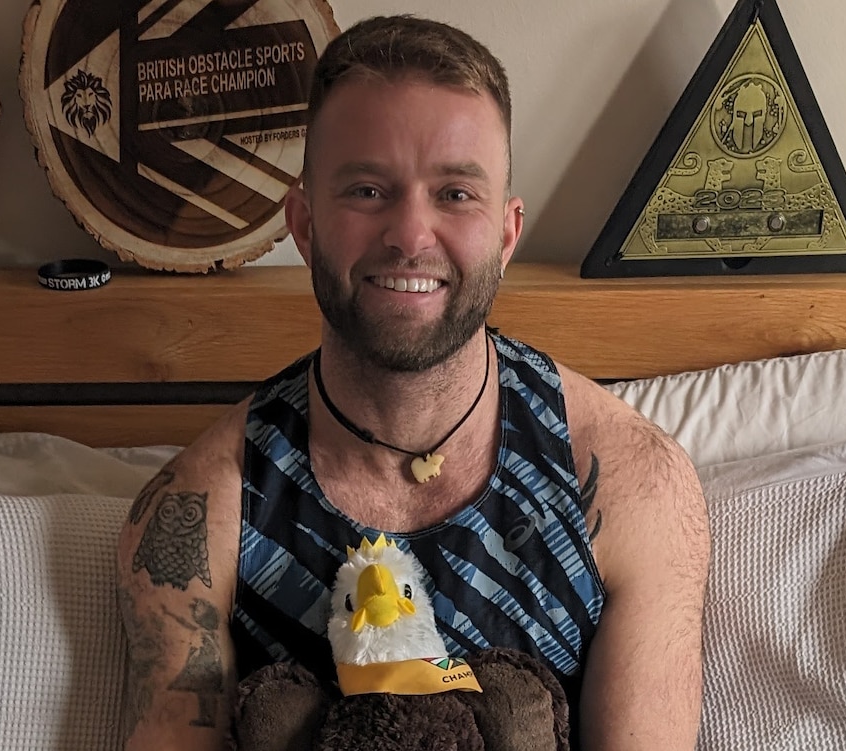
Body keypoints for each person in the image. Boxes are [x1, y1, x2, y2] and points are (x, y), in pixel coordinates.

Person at [116, 14, 709, 750]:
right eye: (367, 190)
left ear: (506, 231)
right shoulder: (197, 512)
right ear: (303, 223)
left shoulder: (631, 481)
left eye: (456, 193)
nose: (411, 234)